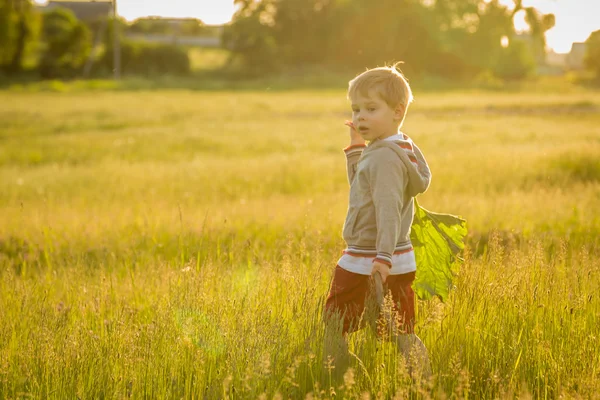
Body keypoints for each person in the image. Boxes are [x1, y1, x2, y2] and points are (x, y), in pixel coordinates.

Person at [323, 63, 432, 378]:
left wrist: (381, 258)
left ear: (398, 111)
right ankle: (424, 384)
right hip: (396, 258)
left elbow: (386, 208)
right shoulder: (396, 147)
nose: (360, 117)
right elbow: (362, 186)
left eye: (371, 109)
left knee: (333, 324)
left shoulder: (384, 157)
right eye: (356, 109)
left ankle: (339, 381)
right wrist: (357, 147)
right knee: (400, 329)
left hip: (368, 258)